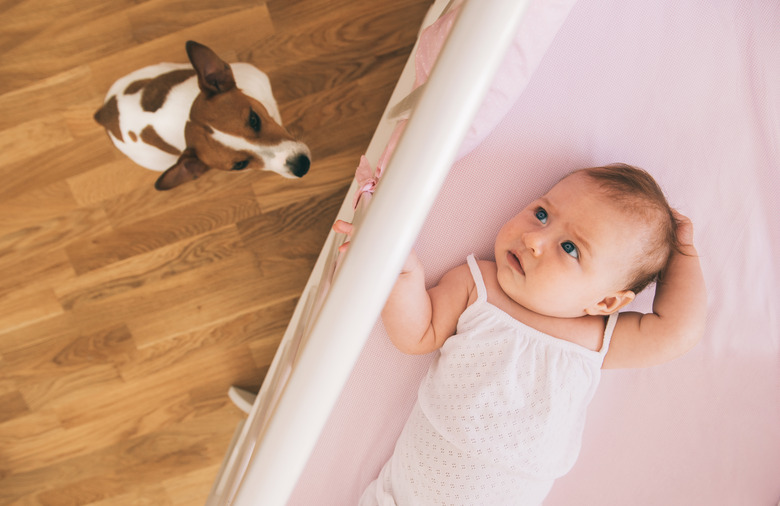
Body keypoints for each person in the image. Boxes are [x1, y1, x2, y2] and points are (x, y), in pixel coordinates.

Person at [334, 163, 707, 505]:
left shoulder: (595, 339)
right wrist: (401, 271)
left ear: (606, 301)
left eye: (570, 248)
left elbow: (676, 332)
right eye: (542, 214)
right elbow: (417, 334)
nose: (534, 239)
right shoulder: (478, 286)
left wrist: (684, 253)